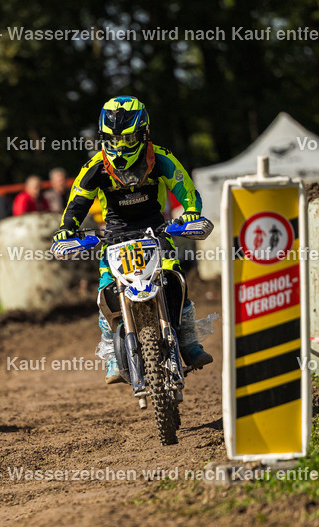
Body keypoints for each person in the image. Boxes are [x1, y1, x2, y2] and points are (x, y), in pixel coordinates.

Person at [53, 96, 211, 383]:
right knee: (105, 289)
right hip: (113, 234)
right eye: (114, 140)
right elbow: (76, 202)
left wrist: (190, 213)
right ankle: (112, 354)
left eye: (128, 139)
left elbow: (187, 189)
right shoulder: (95, 167)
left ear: (144, 133)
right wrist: (67, 228)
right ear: (103, 137)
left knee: (175, 278)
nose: (121, 146)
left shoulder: (160, 157)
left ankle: (188, 341)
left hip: (156, 229)